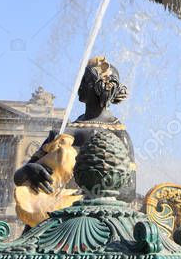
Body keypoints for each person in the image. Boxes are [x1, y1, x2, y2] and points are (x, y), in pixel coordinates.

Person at [14, 56, 135, 225]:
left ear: (98, 87)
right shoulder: (62, 131)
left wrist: (82, 198)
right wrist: (29, 170)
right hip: (47, 219)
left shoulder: (118, 133)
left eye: (84, 80)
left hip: (92, 222)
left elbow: (128, 190)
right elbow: (18, 178)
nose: (78, 85)